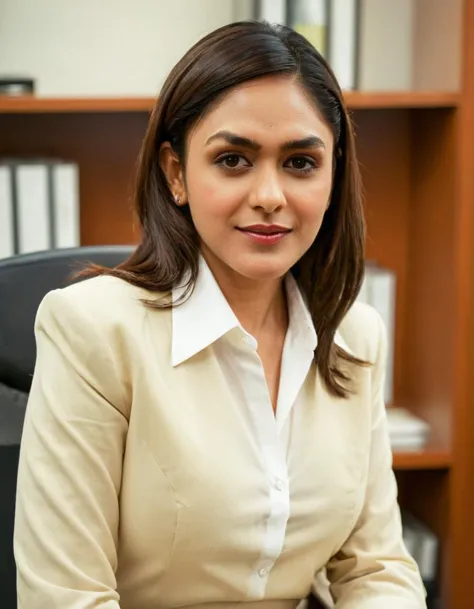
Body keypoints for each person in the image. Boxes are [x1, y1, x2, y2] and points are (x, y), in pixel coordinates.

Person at [13, 20, 426, 609]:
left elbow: (376, 569)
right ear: (177, 173)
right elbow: (66, 596)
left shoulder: (354, 335)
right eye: (233, 160)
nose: (269, 196)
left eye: (301, 163)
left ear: (333, 176)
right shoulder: (92, 329)